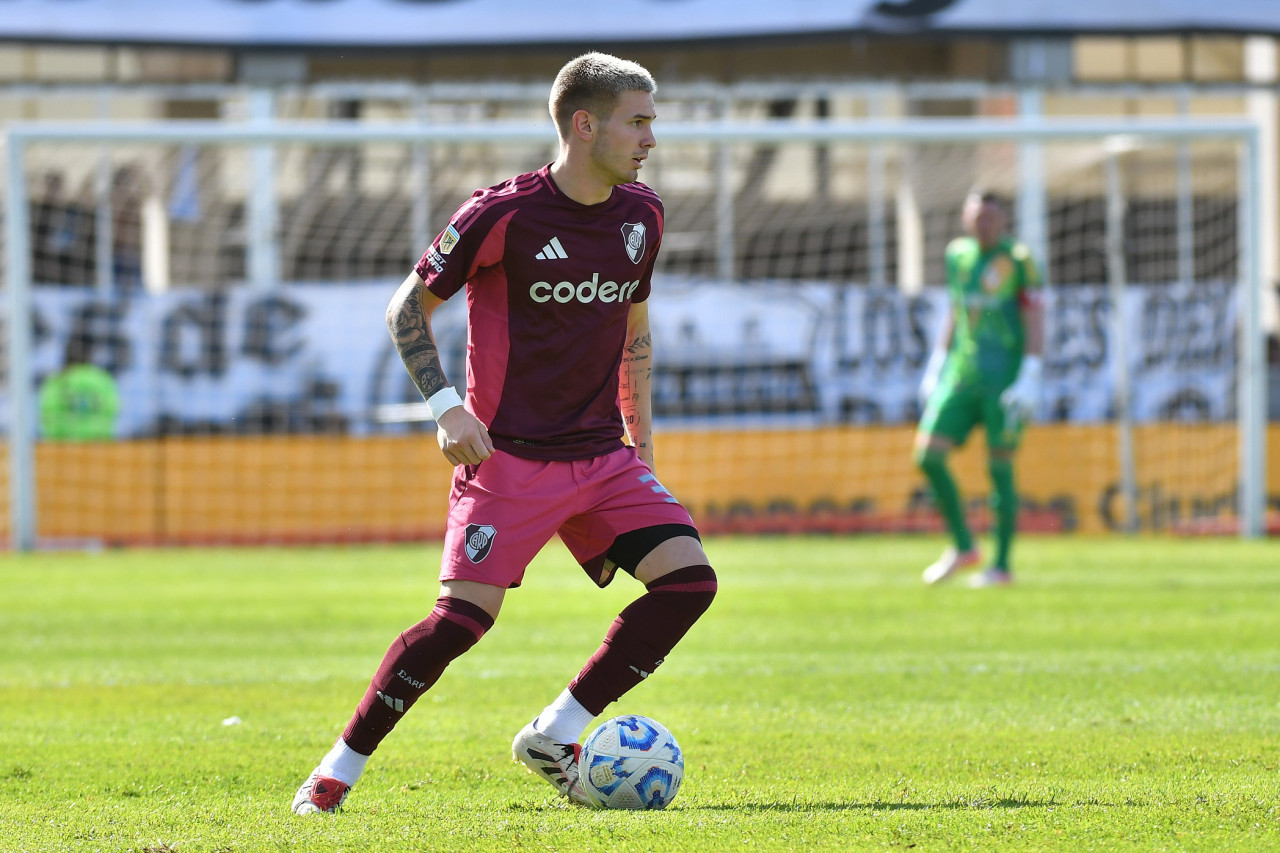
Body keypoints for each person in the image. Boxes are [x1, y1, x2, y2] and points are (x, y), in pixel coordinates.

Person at [292, 52, 717, 815]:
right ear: (585, 126)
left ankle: (557, 731)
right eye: (639, 121)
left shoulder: (642, 215)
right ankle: (335, 772)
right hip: (509, 460)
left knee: (689, 582)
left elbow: (636, 335)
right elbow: (405, 311)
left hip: (602, 459)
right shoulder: (501, 213)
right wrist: (446, 406)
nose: (652, 137)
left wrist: (643, 453)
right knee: (458, 624)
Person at [914, 189, 1044, 588]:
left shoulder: (1018, 260)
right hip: (961, 373)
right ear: (965, 219)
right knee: (927, 456)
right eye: (976, 217)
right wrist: (937, 360)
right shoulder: (958, 255)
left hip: (1004, 376)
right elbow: (956, 307)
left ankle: (1002, 566)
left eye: (990, 217)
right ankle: (964, 546)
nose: (983, 224)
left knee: (999, 465)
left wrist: (1032, 372)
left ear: (1002, 220)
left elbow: (1036, 314)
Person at [38, 336, 120, 441]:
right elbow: (111, 411)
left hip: (62, 448)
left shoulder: (56, 381)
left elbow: (48, 414)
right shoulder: (102, 380)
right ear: (91, 355)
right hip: (98, 446)